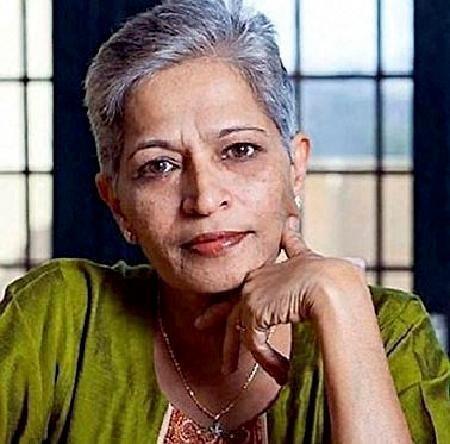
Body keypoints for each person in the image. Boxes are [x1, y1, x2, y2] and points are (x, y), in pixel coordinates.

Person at [1, 0, 449, 442]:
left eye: (239, 150)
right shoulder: (58, 321)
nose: (204, 199)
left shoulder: (387, 331)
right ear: (117, 203)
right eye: (159, 166)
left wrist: (341, 302)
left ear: (295, 169)